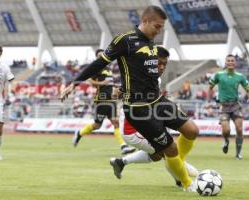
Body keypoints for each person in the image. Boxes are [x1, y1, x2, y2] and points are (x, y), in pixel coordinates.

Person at [61, 6, 198, 192]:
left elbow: (138, 74)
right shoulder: (125, 40)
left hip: (157, 101)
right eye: (157, 26)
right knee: (170, 149)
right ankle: (188, 185)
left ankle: (178, 165)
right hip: (138, 108)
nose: (158, 31)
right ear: (145, 20)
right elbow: (100, 62)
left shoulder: (151, 44)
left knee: (192, 130)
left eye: (161, 28)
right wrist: (74, 82)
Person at [109, 48, 199, 187]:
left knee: (157, 155)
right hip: (133, 129)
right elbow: (123, 90)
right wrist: (119, 92)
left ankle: (120, 162)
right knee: (168, 151)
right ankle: (186, 180)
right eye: (158, 64)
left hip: (151, 119)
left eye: (164, 64)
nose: (162, 67)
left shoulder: (155, 77)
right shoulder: (138, 75)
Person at [72, 49, 135, 155]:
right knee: (97, 125)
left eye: (103, 55)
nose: (102, 57)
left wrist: (115, 89)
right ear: (97, 57)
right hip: (101, 101)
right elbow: (89, 80)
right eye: (100, 55)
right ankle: (79, 133)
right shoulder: (97, 69)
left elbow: (109, 84)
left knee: (115, 122)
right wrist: (101, 83)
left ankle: (123, 146)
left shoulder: (109, 69)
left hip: (111, 100)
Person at [208, 54, 249, 160]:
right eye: (228, 60)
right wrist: (208, 102)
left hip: (236, 105)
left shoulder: (240, 76)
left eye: (232, 60)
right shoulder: (218, 75)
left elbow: (248, 89)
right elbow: (210, 87)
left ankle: (238, 154)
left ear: (235, 63)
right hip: (223, 106)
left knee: (239, 129)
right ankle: (226, 140)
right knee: (226, 130)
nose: (230, 62)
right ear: (225, 62)